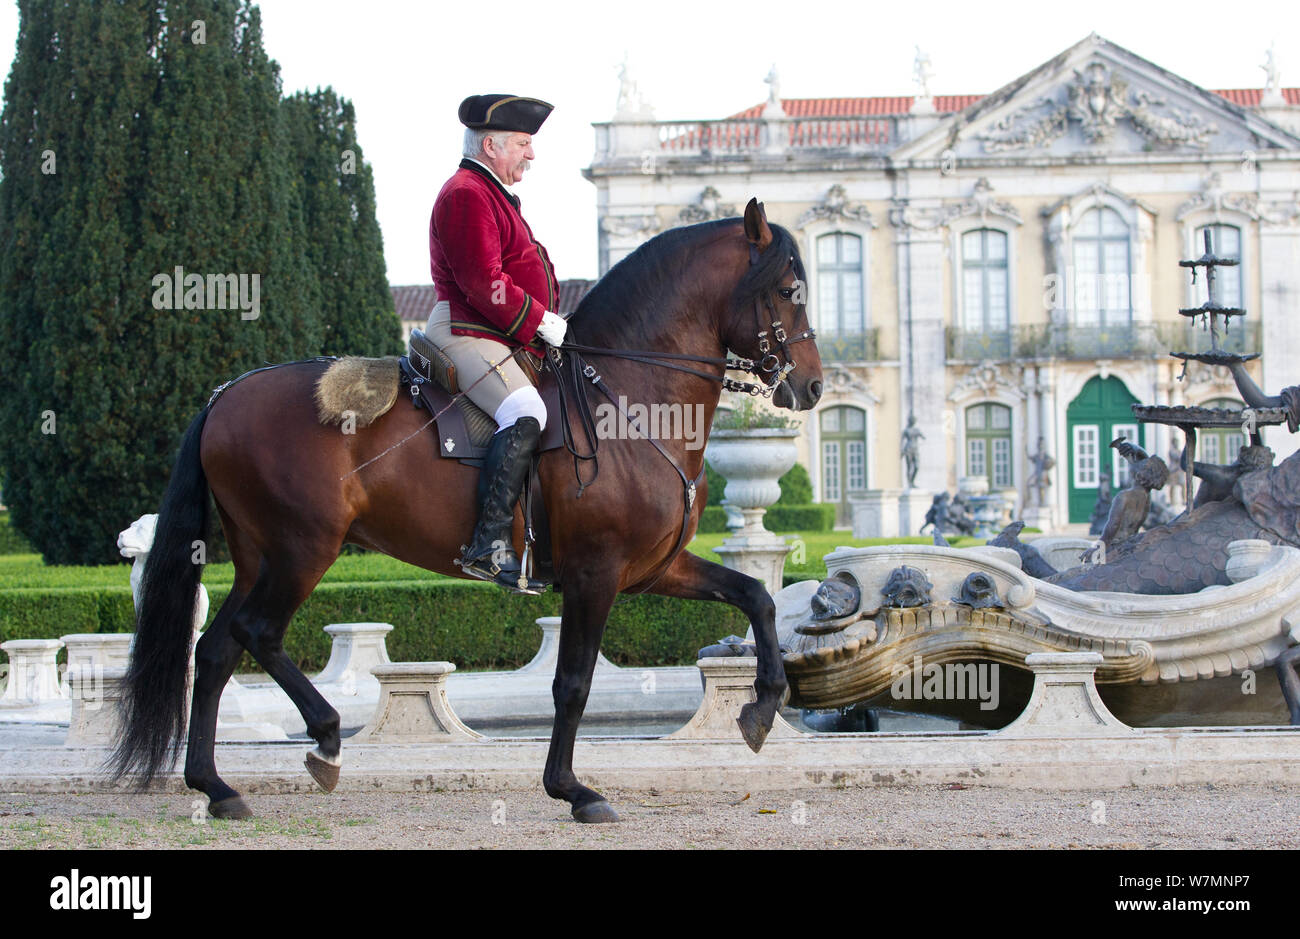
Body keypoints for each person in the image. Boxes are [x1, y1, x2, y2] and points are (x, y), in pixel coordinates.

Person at [427, 94, 568, 593]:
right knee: (526, 411)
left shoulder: (489, 192)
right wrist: (539, 321)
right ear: (490, 145)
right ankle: (487, 546)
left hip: (497, 331)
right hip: (465, 328)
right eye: (524, 144)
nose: (532, 155)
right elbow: (481, 283)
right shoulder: (467, 192)